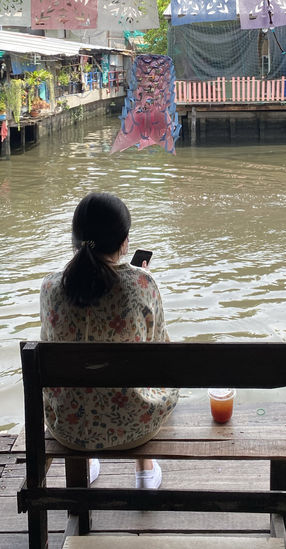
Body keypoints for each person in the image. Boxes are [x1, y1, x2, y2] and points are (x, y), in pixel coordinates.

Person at [39, 192, 178, 489]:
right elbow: (162, 353)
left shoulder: (50, 287)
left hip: (70, 427)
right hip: (135, 425)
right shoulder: (142, 284)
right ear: (124, 241)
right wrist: (143, 281)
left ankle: (86, 465)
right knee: (152, 370)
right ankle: (144, 470)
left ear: (75, 239)